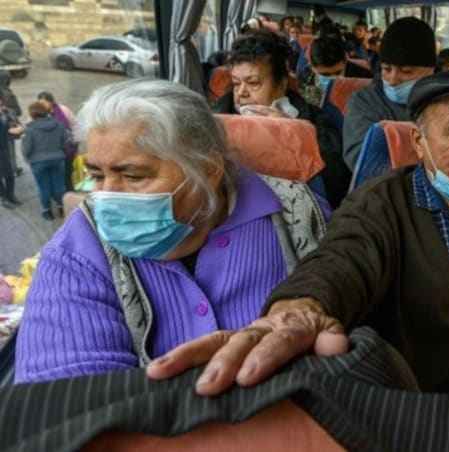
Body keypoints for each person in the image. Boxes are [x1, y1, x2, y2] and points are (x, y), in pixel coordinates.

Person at [147, 69, 449, 451]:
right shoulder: (380, 204)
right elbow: (343, 261)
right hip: (420, 432)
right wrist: (301, 310)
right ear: (419, 141)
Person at [14, 79, 329, 384]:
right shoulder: (76, 252)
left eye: (134, 176)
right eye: (96, 176)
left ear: (208, 170)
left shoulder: (300, 216)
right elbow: (73, 409)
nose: (108, 197)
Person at [213, 32, 345, 206]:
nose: (241, 93)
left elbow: (337, 188)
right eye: (236, 83)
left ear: (281, 85)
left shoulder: (318, 123)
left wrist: (294, 134)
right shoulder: (215, 124)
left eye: (253, 83)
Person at [342, 17, 436, 170]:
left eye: (406, 72)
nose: (392, 80)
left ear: (430, 71)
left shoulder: (446, 102)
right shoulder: (364, 101)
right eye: (386, 69)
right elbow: (361, 159)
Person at [22, 101, 70, 220]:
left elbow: (26, 149)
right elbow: (66, 142)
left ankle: (47, 211)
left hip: (38, 162)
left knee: (44, 187)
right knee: (59, 185)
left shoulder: (30, 129)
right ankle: (61, 207)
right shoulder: (58, 125)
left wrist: (28, 159)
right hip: (58, 159)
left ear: (32, 115)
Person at [298, 35, 373, 107]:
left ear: (345, 61)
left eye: (337, 72)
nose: (332, 78)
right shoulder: (303, 79)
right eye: (325, 75)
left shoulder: (364, 79)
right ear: (312, 67)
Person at [38, 91, 79, 191]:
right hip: (52, 152)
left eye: (44, 103)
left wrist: (75, 140)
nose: (42, 106)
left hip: (68, 148)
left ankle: (69, 192)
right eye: (40, 104)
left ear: (51, 101)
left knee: (68, 174)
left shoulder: (63, 110)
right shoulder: (39, 114)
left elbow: (74, 125)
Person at [0, 95, 24, 208]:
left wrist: (16, 127)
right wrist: (9, 129)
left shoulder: (7, 111)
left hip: (5, 146)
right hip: (3, 143)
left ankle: (10, 196)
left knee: (10, 174)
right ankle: (4, 198)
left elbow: (15, 122)